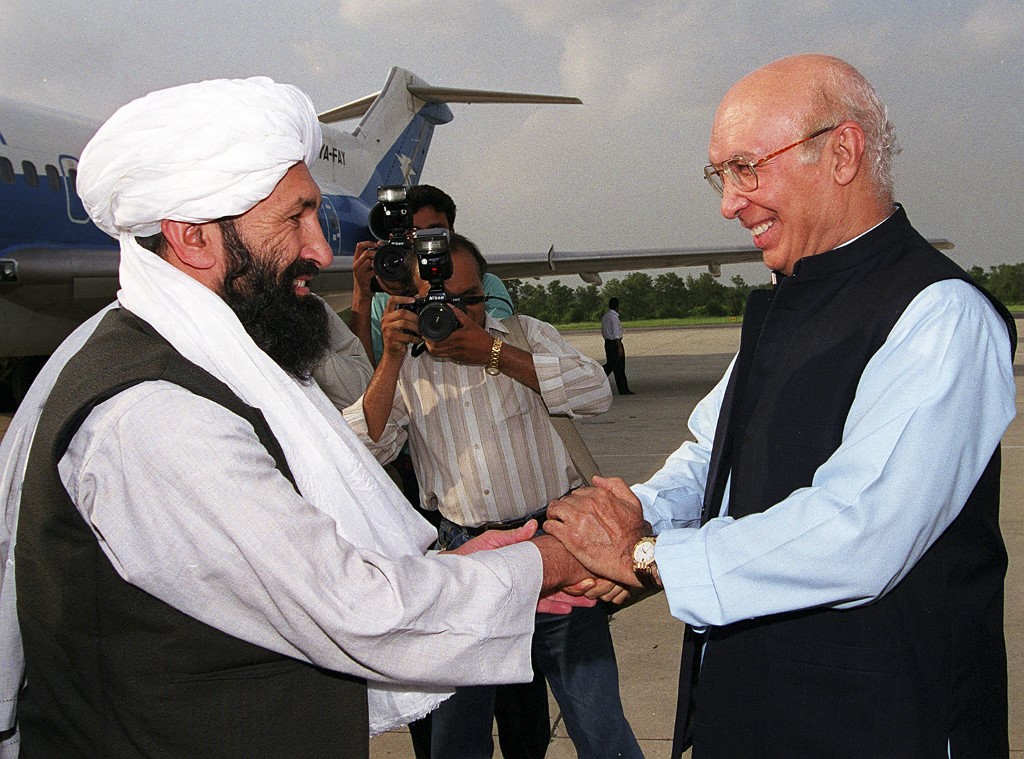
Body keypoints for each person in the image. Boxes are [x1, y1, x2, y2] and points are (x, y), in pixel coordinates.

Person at [0, 77, 600, 758]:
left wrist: (460, 567)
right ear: (193, 237)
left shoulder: (193, 362)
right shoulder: (153, 416)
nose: (321, 248)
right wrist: (550, 559)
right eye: (296, 218)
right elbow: (355, 610)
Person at [544, 54, 1017, 759]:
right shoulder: (786, 302)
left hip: (880, 721)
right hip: (757, 709)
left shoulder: (939, 315)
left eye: (745, 167)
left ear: (842, 152)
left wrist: (643, 556)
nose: (729, 202)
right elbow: (712, 458)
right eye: (721, 174)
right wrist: (617, 522)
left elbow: (858, 532)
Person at [344, 233, 640, 758]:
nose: (457, 313)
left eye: (470, 298)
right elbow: (363, 447)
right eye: (441, 301)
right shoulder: (410, 368)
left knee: (599, 726)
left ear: (488, 291)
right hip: (468, 566)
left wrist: (494, 352)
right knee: (457, 739)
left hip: (558, 550)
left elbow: (596, 392)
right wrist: (389, 358)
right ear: (411, 303)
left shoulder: (526, 334)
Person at [349, 184, 514, 364]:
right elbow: (361, 373)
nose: (424, 241)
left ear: (452, 234)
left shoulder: (482, 285)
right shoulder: (386, 300)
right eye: (412, 234)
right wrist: (362, 296)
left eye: (435, 232)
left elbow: (497, 343)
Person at [601, 297, 633, 395]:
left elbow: (603, 331)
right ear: (617, 306)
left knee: (612, 365)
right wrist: (619, 347)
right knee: (618, 367)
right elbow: (616, 333)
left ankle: (623, 388)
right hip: (615, 343)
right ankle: (623, 389)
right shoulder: (614, 317)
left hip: (608, 343)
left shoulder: (605, 316)